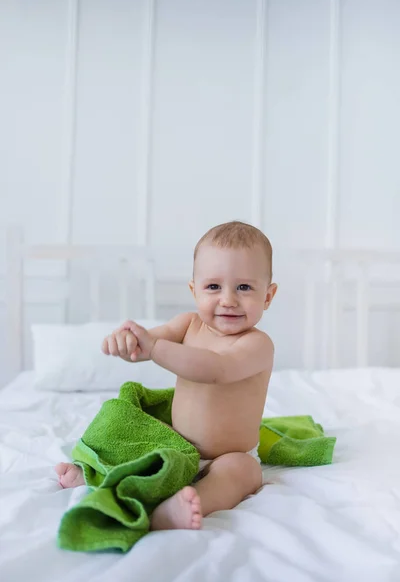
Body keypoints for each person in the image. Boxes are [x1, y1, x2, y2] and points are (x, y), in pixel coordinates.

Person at [56, 221, 277, 531]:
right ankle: (99, 473)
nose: (228, 299)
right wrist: (128, 340)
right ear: (194, 289)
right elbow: (149, 339)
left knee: (245, 472)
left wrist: (155, 349)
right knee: (127, 424)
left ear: (268, 295)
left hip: (227, 455)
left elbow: (216, 369)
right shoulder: (187, 324)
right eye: (213, 286)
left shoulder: (257, 345)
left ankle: (184, 505)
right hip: (176, 443)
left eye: (244, 287)